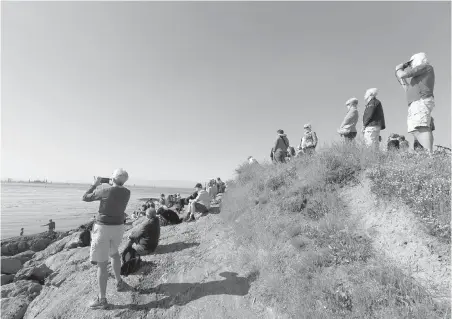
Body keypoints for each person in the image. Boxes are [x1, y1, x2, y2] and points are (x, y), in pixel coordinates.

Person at [82, 168, 131, 309]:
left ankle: (102, 299)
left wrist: (95, 184)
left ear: (113, 178)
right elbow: (116, 194)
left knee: (102, 265)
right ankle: (119, 282)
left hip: (103, 228)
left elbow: (85, 197)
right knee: (114, 253)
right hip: (118, 227)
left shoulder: (105, 191)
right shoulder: (127, 192)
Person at [395, 52, 435, 154]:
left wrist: (399, 68)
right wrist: (399, 74)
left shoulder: (425, 67)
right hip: (415, 103)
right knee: (415, 129)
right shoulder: (417, 77)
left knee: (421, 127)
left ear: (418, 59)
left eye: (411, 62)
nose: (410, 65)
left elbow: (402, 74)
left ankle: (429, 154)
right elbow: (406, 86)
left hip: (421, 101)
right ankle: (426, 153)